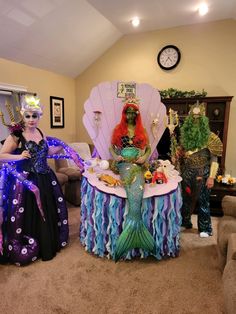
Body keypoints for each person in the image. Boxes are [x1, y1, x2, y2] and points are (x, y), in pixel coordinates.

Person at [0, 95, 69, 265]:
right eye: (28, 116)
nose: (31, 120)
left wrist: (60, 146)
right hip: (27, 181)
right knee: (29, 213)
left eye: (35, 116)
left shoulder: (40, 132)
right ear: (23, 116)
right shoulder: (16, 135)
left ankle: (47, 244)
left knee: (47, 210)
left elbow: (47, 152)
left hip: (46, 177)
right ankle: (30, 246)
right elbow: (1, 156)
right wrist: (19, 157)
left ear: (39, 117)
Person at [110, 97, 155, 261]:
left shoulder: (141, 129)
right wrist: (116, 157)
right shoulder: (118, 129)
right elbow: (112, 147)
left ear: (136, 114)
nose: (129, 115)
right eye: (127, 112)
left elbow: (148, 147)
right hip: (124, 165)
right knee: (131, 186)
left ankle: (136, 225)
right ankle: (133, 229)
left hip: (139, 164)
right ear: (124, 113)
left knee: (138, 189)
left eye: (132, 112)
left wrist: (144, 158)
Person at [178, 102, 223, 237]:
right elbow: (182, 157)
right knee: (185, 199)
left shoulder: (211, 137)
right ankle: (185, 222)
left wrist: (211, 177)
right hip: (187, 172)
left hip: (203, 173)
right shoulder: (185, 137)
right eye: (193, 118)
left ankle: (204, 228)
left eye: (198, 118)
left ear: (203, 120)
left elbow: (215, 160)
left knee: (203, 201)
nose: (195, 121)